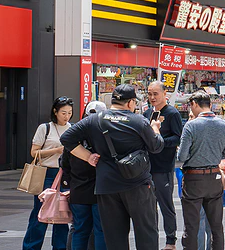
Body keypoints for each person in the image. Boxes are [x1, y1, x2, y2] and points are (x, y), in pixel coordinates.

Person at [61, 84, 165, 250]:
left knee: (114, 236)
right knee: (146, 233)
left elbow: (66, 138)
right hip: (137, 185)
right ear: (131, 103)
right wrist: (155, 129)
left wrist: (88, 156)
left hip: (106, 186)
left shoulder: (94, 119)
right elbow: (156, 147)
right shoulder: (139, 121)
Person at [177, 90, 225, 250]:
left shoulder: (191, 125)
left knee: (192, 226)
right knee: (216, 226)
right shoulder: (224, 125)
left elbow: (182, 155)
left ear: (194, 104)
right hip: (215, 177)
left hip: (193, 179)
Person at [22, 97, 73, 250]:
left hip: (64, 174)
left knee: (62, 213)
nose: (67, 116)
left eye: (70, 113)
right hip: (46, 173)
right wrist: (56, 151)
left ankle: (60, 247)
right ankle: (31, 246)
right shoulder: (45, 128)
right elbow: (34, 152)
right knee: (40, 213)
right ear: (55, 112)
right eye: (63, 112)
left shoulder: (72, 128)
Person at [143, 82, 184, 250]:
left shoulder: (172, 113)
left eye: (155, 94)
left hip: (163, 167)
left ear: (164, 93)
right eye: (150, 94)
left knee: (166, 205)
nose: (152, 97)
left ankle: (170, 241)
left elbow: (177, 138)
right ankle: (151, 240)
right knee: (148, 207)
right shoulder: (146, 113)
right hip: (146, 168)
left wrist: (159, 143)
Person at [61, 101, 106, 250]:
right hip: (100, 192)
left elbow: (64, 164)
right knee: (101, 231)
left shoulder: (73, 138)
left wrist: (69, 184)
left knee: (80, 230)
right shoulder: (105, 136)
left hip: (78, 191)